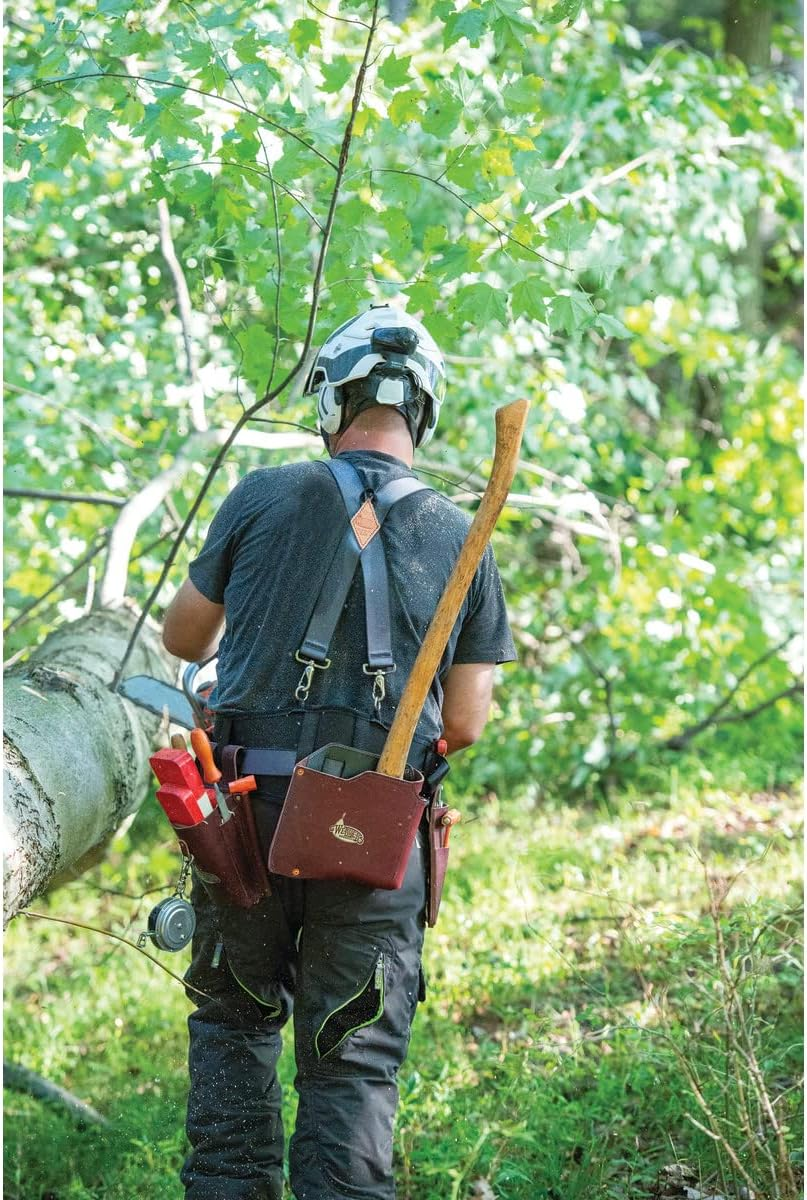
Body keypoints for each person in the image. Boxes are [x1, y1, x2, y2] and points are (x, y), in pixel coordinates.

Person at [162, 303, 517, 1200]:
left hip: (245, 817)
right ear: (423, 411)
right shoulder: (463, 535)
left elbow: (182, 637)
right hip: (372, 832)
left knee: (235, 1028)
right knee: (352, 1064)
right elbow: (466, 722)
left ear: (330, 398)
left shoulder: (262, 495)